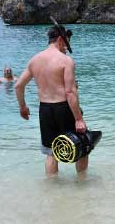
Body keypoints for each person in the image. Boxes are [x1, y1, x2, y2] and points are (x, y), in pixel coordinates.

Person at [15, 25, 88, 177]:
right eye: (67, 44)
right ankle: (83, 184)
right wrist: (79, 119)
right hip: (64, 108)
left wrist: (22, 107)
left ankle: (52, 188)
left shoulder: (34, 60)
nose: (68, 48)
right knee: (82, 148)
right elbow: (69, 92)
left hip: (45, 110)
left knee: (51, 151)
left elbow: (18, 85)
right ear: (60, 40)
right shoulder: (66, 61)